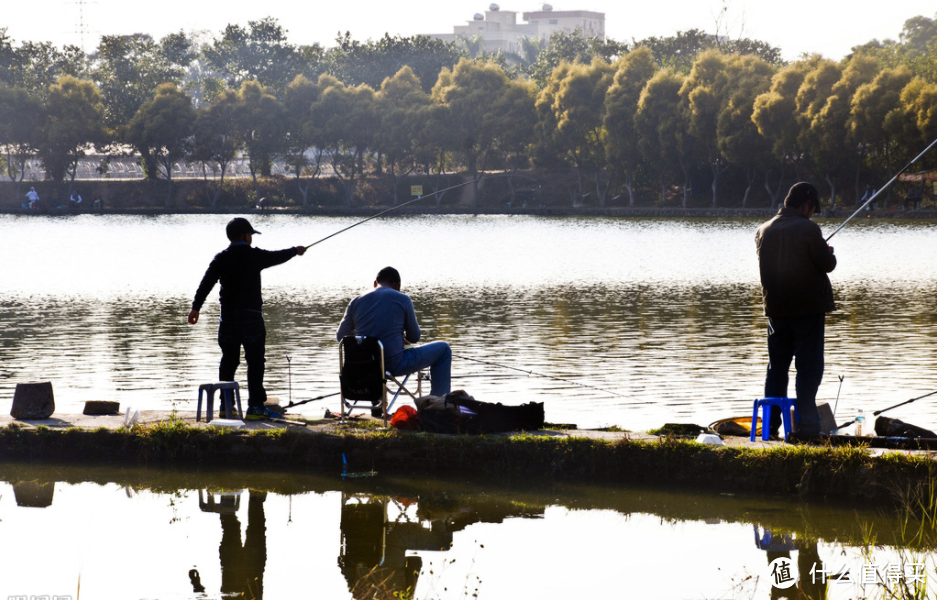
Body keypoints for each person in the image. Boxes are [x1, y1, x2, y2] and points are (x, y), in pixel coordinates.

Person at [188, 217, 307, 419]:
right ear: (245, 235)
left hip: (227, 319)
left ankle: (226, 406)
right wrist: (295, 251)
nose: (251, 238)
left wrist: (195, 308)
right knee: (255, 361)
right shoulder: (254, 256)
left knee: (228, 361)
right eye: (250, 234)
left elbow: (206, 283)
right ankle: (255, 407)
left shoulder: (221, 258)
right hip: (251, 318)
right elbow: (277, 256)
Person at [755, 182, 837, 439]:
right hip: (807, 310)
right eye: (813, 209)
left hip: (776, 312)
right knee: (808, 368)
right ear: (805, 205)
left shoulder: (762, 230)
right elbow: (828, 264)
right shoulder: (809, 229)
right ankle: (809, 428)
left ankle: (770, 427)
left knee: (776, 368)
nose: (812, 214)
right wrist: (827, 251)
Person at [336, 267, 451, 398]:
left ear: (375, 283)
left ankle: (377, 405)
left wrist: (365, 337)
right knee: (444, 349)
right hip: (394, 364)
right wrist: (400, 336)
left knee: (372, 351)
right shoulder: (403, 299)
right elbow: (414, 337)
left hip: (363, 366)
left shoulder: (355, 301)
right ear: (397, 285)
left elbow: (341, 337)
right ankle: (439, 403)